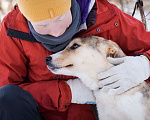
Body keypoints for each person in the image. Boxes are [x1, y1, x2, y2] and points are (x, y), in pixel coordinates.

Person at [0, 0, 150, 120]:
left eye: (60, 18)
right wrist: (68, 92)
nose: (56, 32)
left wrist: (144, 63)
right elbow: (7, 92)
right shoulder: (13, 28)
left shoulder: (106, 16)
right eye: (42, 25)